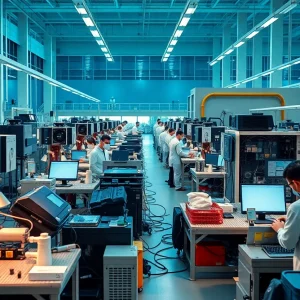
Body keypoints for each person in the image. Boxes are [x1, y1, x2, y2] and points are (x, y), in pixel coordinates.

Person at [272, 161, 300, 270]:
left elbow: (288, 243)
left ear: (296, 183)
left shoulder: (296, 208)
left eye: (290, 184)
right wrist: (291, 220)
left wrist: (279, 229)